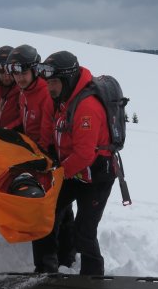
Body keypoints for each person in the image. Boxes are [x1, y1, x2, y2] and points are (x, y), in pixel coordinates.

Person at [32, 51, 116, 276]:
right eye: (48, 82)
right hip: (74, 174)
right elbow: (49, 132)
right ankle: (45, 270)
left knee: (84, 232)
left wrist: (57, 174)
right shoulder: (61, 99)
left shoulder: (87, 107)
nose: (50, 88)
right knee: (45, 213)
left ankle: (92, 278)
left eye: (55, 82)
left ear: (67, 80)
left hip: (97, 176)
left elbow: (84, 155)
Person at [7, 44, 77, 268]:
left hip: (49, 158)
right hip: (37, 153)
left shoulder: (44, 93)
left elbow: (48, 130)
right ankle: (67, 255)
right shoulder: (25, 91)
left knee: (50, 212)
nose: (18, 78)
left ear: (35, 70)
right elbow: (27, 122)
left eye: (23, 73)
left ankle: (51, 263)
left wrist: (43, 156)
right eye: (15, 73)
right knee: (62, 211)